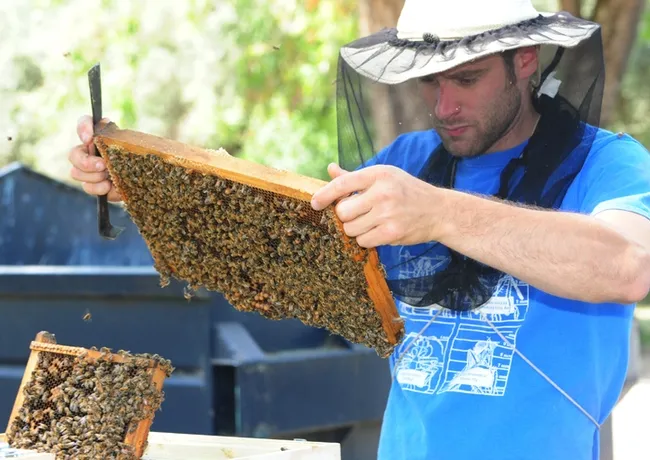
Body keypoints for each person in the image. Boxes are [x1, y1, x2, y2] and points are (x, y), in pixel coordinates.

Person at [68, 1, 649, 459]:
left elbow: (629, 264)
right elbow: (282, 254)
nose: (443, 105)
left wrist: (439, 213)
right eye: (429, 82)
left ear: (525, 58)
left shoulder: (607, 163)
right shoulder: (407, 159)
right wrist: (144, 184)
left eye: (466, 79)